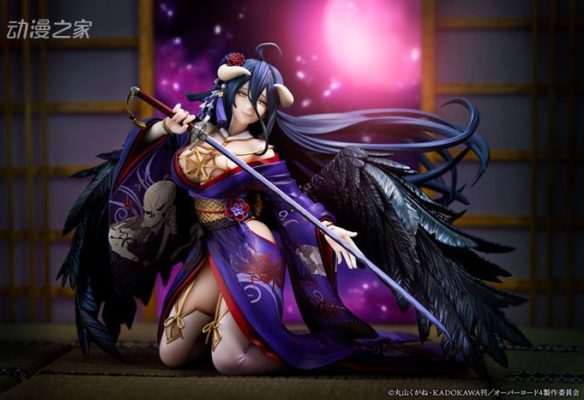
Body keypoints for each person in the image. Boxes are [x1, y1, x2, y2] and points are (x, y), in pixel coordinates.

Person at [60, 43, 530, 376]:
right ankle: (229, 324)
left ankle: (276, 349)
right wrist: (166, 128)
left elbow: (292, 202)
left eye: (264, 102)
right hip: (208, 249)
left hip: (249, 248)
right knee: (171, 356)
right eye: (249, 96)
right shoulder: (195, 133)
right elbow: (148, 159)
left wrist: (327, 226)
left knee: (230, 361)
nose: (254, 106)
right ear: (230, 92)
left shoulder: (264, 155)